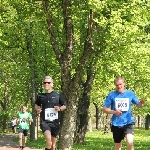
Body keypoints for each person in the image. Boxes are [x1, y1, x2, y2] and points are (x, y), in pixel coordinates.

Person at [102, 76, 145, 150]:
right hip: (116, 123)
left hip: (128, 122)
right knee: (118, 147)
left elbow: (138, 105)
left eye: (120, 84)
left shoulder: (130, 94)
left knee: (130, 142)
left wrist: (141, 103)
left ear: (124, 84)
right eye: (117, 85)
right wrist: (114, 112)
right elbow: (104, 109)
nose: (119, 86)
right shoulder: (112, 95)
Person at [35, 76, 67, 150]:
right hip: (45, 122)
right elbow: (36, 104)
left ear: (52, 84)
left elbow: (64, 105)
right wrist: (38, 109)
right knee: (49, 141)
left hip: (55, 122)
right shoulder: (40, 95)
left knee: (53, 145)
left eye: (48, 83)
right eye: (45, 82)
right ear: (43, 84)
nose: (46, 84)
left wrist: (59, 108)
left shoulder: (58, 94)